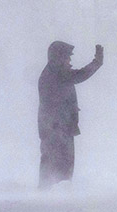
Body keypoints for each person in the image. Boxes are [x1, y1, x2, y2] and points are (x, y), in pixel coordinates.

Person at [38, 41, 103, 187]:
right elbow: (79, 75)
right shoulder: (57, 73)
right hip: (57, 128)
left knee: (54, 163)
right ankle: (54, 195)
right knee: (60, 164)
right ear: (58, 57)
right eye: (67, 57)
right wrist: (97, 62)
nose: (69, 61)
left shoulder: (54, 72)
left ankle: (50, 192)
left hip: (57, 128)